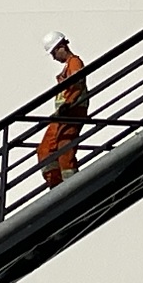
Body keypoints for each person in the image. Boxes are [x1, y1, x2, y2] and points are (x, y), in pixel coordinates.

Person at [37, 31, 85, 187]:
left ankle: (70, 188)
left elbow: (77, 86)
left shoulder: (75, 63)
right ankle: (56, 185)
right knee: (45, 149)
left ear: (61, 46)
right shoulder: (68, 67)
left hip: (72, 114)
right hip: (61, 116)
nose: (53, 57)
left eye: (53, 52)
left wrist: (68, 104)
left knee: (65, 150)